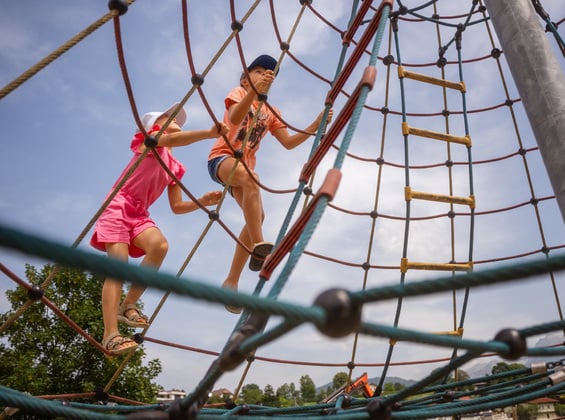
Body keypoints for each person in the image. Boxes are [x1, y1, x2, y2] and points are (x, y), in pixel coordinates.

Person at [90, 103, 229, 355]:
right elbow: (171, 138)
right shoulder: (149, 140)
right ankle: (110, 334)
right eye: (169, 116)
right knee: (118, 269)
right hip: (118, 205)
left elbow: (176, 206)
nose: (175, 118)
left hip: (139, 212)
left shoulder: (175, 167)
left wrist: (202, 201)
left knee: (159, 245)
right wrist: (209, 133)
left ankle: (128, 304)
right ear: (154, 124)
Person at [207, 54, 333, 314]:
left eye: (269, 73)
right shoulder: (239, 92)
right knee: (253, 181)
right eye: (259, 71)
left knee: (258, 217)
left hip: (245, 170)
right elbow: (233, 117)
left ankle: (231, 281)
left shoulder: (271, 111)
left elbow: (288, 143)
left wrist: (315, 125)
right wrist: (253, 92)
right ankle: (260, 247)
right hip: (223, 159)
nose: (265, 74)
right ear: (246, 77)